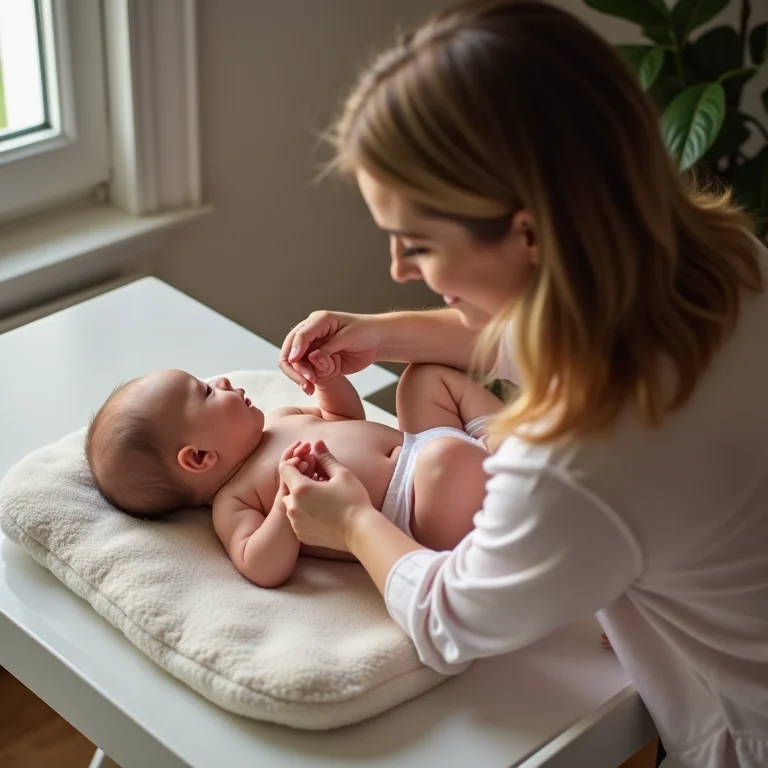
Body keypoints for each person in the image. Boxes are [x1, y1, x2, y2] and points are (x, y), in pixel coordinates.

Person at [276, 1, 768, 766]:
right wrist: (380, 333)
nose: (400, 270)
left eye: (418, 245)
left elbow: (449, 621)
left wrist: (349, 524)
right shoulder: (729, 266)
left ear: (527, 232)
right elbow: (545, 335)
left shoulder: (582, 447)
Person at [85, 361, 501, 587]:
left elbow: (343, 417)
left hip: (418, 447)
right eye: (207, 391)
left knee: (423, 378)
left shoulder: (280, 419)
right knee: (445, 460)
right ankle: (511, 466)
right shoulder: (237, 500)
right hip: (415, 510)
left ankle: (508, 440)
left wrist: (328, 379)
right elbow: (260, 566)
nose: (223, 380)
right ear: (198, 457)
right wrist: (286, 502)